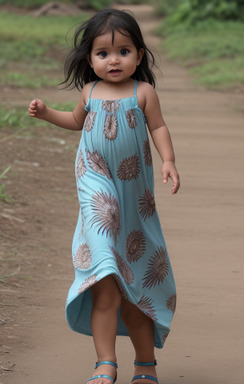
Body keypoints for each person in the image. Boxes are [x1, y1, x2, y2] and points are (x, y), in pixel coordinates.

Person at [28, 8, 180, 384]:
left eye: (124, 51)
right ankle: (105, 363)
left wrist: (169, 161)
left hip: (134, 195)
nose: (114, 60)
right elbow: (76, 121)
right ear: (89, 59)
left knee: (135, 283)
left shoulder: (143, 92)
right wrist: (48, 113)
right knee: (104, 263)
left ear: (139, 56)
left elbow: (158, 127)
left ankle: (145, 363)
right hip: (95, 181)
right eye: (103, 53)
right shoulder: (90, 91)